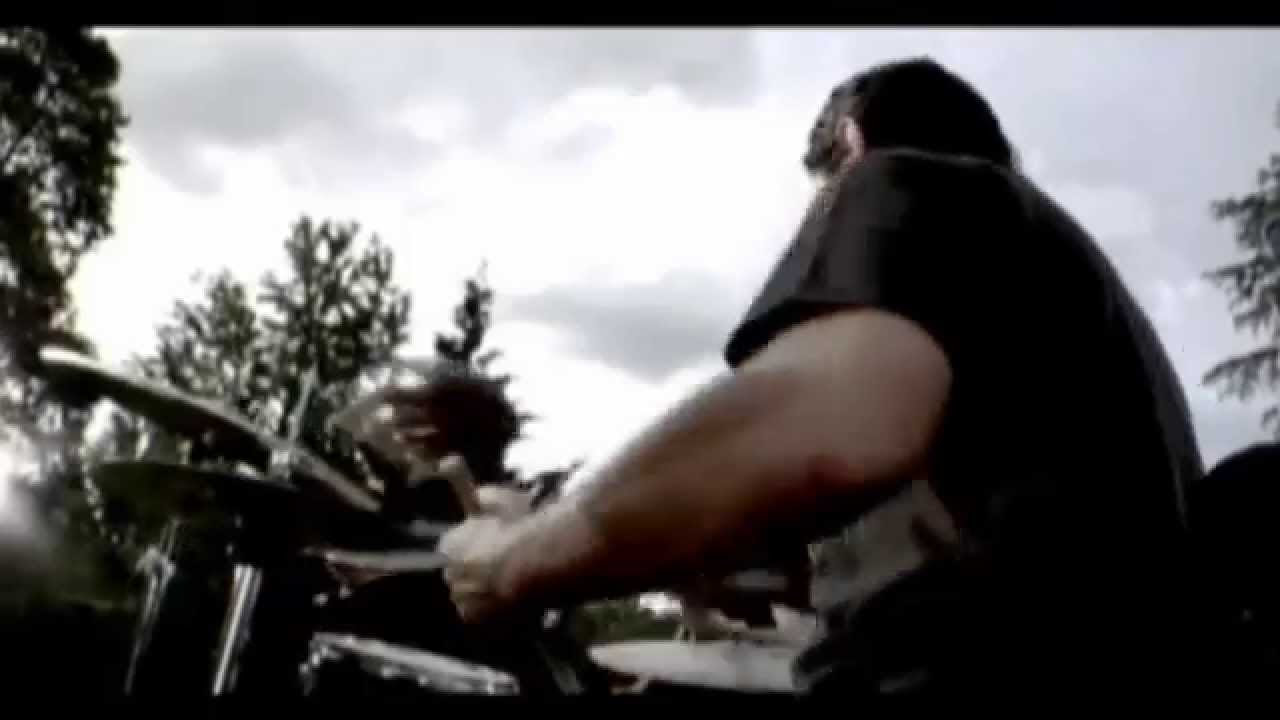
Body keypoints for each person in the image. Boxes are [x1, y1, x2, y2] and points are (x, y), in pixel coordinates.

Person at [396, 57, 1206, 697]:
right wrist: (721, 575)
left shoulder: (912, 183)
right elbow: (987, 568)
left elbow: (825, 435)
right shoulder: (1072, 316)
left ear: (847, 146)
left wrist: (517, 558)